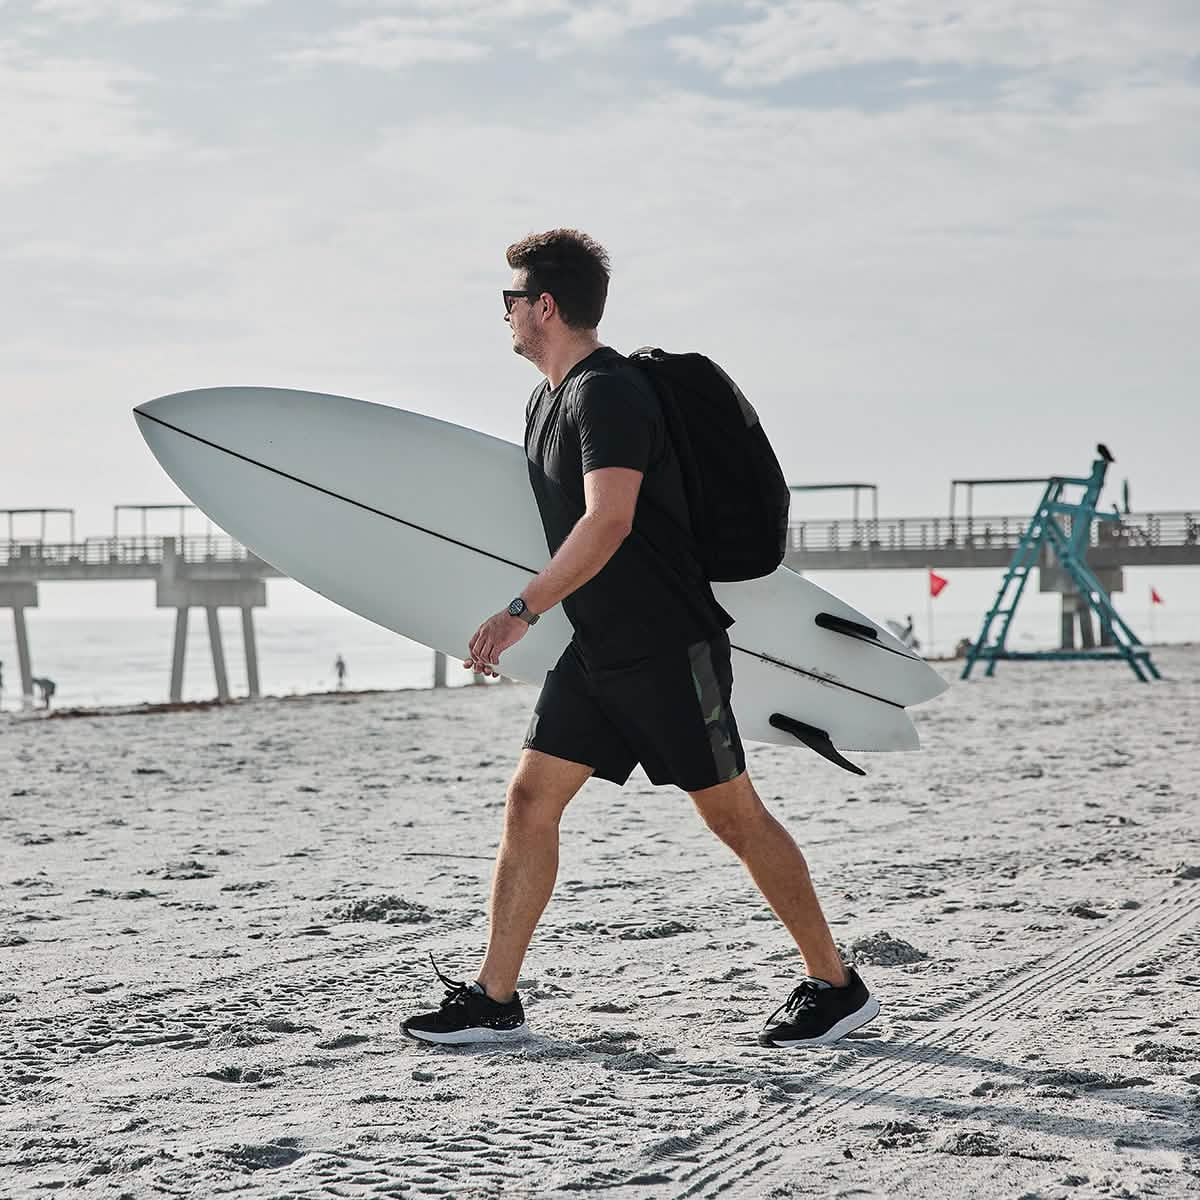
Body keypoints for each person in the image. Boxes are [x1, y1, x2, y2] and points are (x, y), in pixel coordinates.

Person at [402, 229, 878, 1049]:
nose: (506, 317)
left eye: (509, 302)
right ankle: (495, 996)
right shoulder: (545, 400)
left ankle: (835, 983)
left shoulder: (608, 394)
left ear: (544, 306)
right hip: (599, 649)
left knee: (733, 816)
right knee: (530, 798)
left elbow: (610, 519)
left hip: (666, 649)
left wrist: (520, 611)